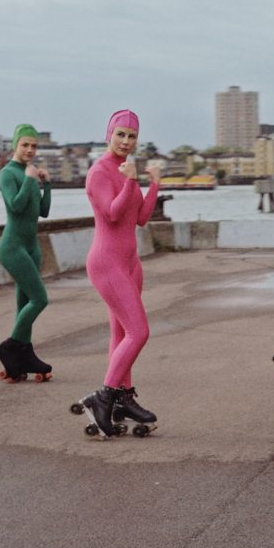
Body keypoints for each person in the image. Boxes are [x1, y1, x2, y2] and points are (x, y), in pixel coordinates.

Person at [77, 109, 162, 438]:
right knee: (139, 332)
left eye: (132, 136)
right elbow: (112, 214)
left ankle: (122, 398)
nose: (126, 141)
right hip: (106, 263)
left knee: (121, 334)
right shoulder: (99, 172)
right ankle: (104, 397)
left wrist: (153, 184)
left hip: (130, 263)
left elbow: (140, 218)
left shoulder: (126, 170)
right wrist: (130, 180)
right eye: (120, 134)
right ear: (108, 135)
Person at [0, 123, 53, 382]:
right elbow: (15, 206)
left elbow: (43, 211)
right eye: (25, 144)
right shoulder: (8, 173)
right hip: (13, 247)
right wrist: (29, 179)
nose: (29, 150)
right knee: (40, 299)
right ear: (15, 145)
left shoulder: (30, 173)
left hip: (31, 247)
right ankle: (11, 347)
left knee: (24, 305)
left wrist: (47, 184)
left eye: (34, 146)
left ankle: (21, 359)